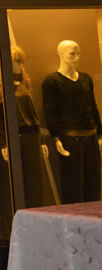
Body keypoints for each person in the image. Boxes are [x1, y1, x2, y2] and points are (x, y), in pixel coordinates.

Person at [0, 46, 51, 207]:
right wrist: (3, 143)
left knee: (35, 183)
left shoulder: (22, 83)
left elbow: (32, 114)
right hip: (13, 137)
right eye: (17, 61)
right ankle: (15, 220)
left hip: (30, 137)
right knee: (13, 185)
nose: (21, 65)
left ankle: (36, 217)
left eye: (22, 61)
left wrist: (40, 140)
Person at [42, 40, 101, 203]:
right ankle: (74, 219)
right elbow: (50, 110)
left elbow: (93, 106)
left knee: (93, 186)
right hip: (70, 138)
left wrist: (99, 134)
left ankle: (93, 218)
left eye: (78, 53)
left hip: (91, 136)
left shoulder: (86, 79)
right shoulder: (52, 81)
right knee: (72, 186)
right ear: (61, 54)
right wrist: (56, 138)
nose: (76, 57)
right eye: (72, 54)